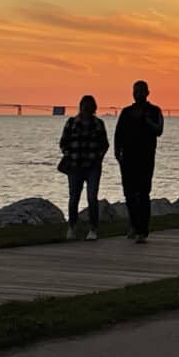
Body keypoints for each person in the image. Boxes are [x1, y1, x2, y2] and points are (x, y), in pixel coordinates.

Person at [114, 80, 164, 243]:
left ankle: (143, 229)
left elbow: (159, 130)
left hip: (146, 158)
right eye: (136, 91)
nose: (138, 94)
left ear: (148, 93)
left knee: (143, 194)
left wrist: (146, 121)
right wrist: (117, 152)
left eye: (141, 91)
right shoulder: (126, 112)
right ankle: (134, 225)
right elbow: (118, 133)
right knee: (129, 194)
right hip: (127, 158)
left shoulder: (154, 111)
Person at [59, 95, 109, 241]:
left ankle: (93, 229)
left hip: (93, 167)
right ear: (80, 107)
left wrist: (97, 158)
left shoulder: (98, 124)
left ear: (93, 108)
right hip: (75, 167)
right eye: (84, 106)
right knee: (74, 198)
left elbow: (104, 144)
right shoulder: (71, 123)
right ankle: (72, 227)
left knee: (92, 197)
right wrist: (69, 155)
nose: (86, 109)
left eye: (89, 107)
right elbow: (63, 142)